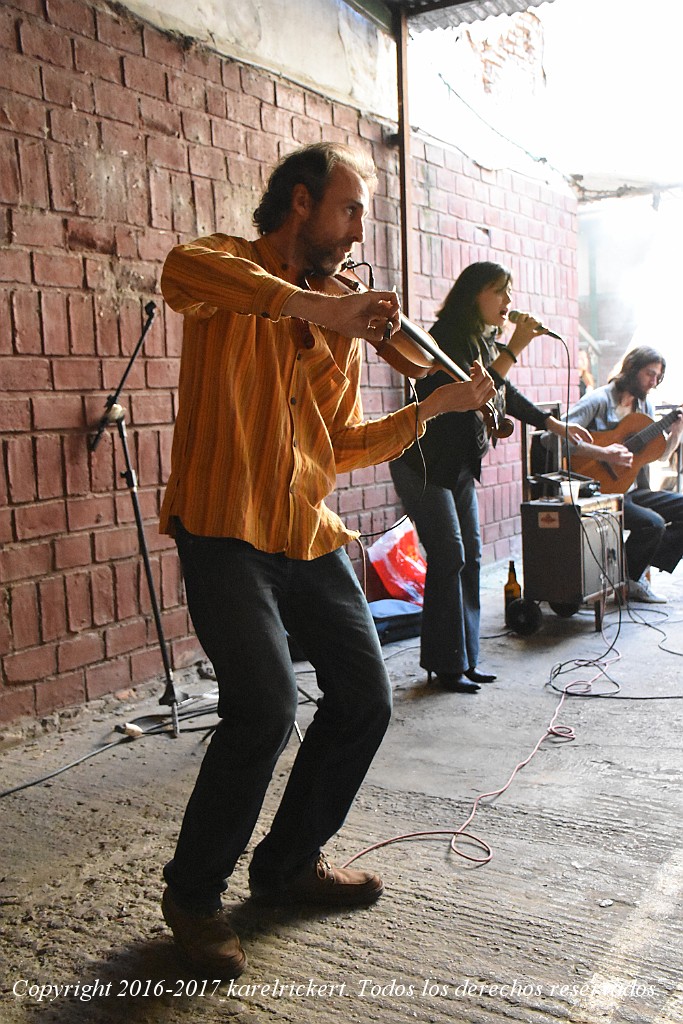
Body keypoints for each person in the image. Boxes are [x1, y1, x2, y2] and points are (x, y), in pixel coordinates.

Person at [157, 142, 496, 977]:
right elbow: (178, 272)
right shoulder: (220, 267)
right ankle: (193, 897)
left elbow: (339, 445)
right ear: (301, 203)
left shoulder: (334, 321)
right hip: (223, 525)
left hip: (305, 531)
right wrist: (320, 312)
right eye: (349, 212)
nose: (355, 235)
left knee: (364, 699)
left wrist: (435, 405)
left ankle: (284, 865)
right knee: (265, 708)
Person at [389, 262, 592, 693]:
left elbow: (506, 394)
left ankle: (466, 660)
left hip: (458, 466)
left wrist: (553, 425)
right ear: (473, 294)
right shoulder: (443, 338)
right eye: (500, 291)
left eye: (509, 293)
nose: (508, 302)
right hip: (423, 464)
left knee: (472, 558)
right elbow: (473, 393)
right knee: (449, 557)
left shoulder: (483, 340)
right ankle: (445, 666)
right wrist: (516, 347)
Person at [563, 345, 683, 602]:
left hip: (631, 491)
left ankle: (631, 573)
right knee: (654, 524)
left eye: (657, 377)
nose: (653, 382)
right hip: (598, 491)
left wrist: (676, 434)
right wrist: (604, 454)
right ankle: (628, 578)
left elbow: (656, 455)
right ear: (631, 369)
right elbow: (557, 436)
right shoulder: (598, 400)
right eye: (649, 374)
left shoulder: (645, 407)